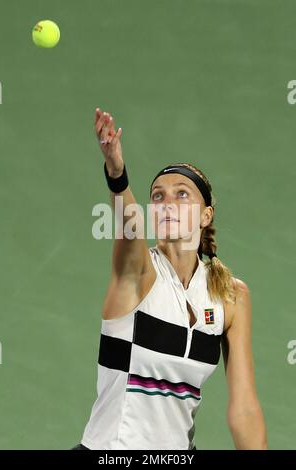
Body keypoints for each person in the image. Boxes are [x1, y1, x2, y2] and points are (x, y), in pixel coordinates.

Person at [72, 108, 268, 450]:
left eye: (181, 194)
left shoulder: (230, 296)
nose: (167, 203)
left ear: (205, 215)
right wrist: (117, 176)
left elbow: (245, 409)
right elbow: (130, 230)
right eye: (158, 196)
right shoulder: (138, 274)